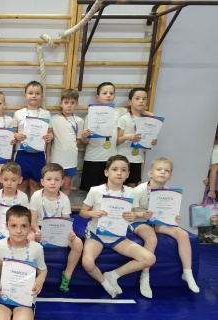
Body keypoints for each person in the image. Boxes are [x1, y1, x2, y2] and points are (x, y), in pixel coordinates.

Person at [79, 155, 156, 298]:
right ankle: (105, 283)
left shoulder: (130, 192)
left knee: (150, 258)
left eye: (123, 170)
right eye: (115, 169)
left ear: (127, 174)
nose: (119, 173)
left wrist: (133, 216)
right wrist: (92, 213)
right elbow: (82, 212)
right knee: (87, 263)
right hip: (96, 235)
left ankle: (113, 275)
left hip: (118, 236)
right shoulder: (96, 190)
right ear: (106, 172)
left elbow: (131, 214)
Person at [131, 157, 199, 297]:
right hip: (139, 221)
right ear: (150, 173)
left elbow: (169, 214)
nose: (162, 172)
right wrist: (142, 214)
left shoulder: (169, 193)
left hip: (157, 221)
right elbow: (129, 213)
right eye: (159, 169)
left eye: (166, 171)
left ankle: (187, 273)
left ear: (170, 176)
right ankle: (145, 276)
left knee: (183, 234)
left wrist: (175, 218)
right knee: (151, 239)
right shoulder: (139, 190)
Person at [0, 206, 47, 320]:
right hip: (2, 295)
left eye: (24, 226)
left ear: (30, 227)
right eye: (14, 226)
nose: (19, 231)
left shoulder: (36, 248)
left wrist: (40, 279)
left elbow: (43, 270)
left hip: (25, 296)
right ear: (7, 226)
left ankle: (26, 314)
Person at [29, 163, 83, 293]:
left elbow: (66, 222)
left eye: (56, 179)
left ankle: (67, 275)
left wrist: (70, 233)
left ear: (62, 182)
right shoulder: (36, 196)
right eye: (49, 179)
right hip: (40, 227)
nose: (52, 183)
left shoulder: (64, 199)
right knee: (29, 238)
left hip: (59, 229)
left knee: (78, 243)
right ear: (42, 181)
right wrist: (36, 230)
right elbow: (32, 220)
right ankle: (30, 273)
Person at [79, 82, 127, 191]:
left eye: (111, 93)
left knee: (110, 191)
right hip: (93, 158)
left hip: (111, 159)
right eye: (105, 93)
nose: (108, 95)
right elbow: (85, 141)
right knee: (92, 191)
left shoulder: (120, 111)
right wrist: (84, 137)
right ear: (97, 97)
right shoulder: (91, 114)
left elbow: (136, 111)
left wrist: (150, 115)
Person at [13, 81, 54, 196]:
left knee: (35, 185)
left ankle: (33, 207)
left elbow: (50, 133)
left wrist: (50, 137)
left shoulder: (46, 114)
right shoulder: (18, 113)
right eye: (30, 93)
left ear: (42, 96)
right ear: (25, 96)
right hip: (22, 153)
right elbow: (13, 132)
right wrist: (16, 135)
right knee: (21, 184)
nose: (34, 96)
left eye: (37, 93)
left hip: (39, 154)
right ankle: (21, 207)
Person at [50, 88, 88, 196]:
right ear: (61, 103)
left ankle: (65, 206)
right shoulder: (53, 119)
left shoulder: (79, 121)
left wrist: (84, 137)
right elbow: (49, 138)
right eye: (66, 102)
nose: (69, 106)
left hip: (71, 158)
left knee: (66, 185)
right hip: (56, 157)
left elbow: (80, 140)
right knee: (53, 185)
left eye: (72, 103)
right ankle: (53, 205)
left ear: (77, 104)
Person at [117, 87, 158, 187]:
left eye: (144, 99)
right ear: (130, 101)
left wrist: (152, 141)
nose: (141, 101)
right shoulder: (124, 118)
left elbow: (149, 137)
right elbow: (117, 140)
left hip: (137, 158)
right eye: (137, 98)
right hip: (123, 157)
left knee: (133, 185)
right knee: (120, 185)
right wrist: (126, 137)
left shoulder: (148, 120)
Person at [0, 162, 29, 241]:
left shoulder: (23, 197)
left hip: (17, 232)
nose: (9, 183)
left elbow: (26, 219)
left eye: (13, 180)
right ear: (0, 179)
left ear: (20, 180)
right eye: (6, 179)